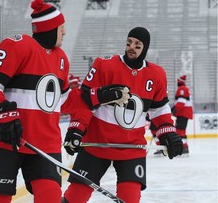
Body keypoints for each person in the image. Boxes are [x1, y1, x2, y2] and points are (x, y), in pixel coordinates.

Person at [0, 0, 126, 203]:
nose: (64, 32)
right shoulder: (17, 46)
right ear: (51, 28)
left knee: (51, 197)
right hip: (7, 139)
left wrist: (99, 96)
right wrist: (5, 115)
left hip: (44, 144)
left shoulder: (61, 58)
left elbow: (62, 100)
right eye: (62, 28)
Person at [62, 27, 183, 203]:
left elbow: (159, 110)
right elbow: (84, 102)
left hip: (132, 148)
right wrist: (77, 128)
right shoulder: (104, 65)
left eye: (137, 45)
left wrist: (168, 132)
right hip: (97, 143)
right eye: (129, 43)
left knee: (130, 198)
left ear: (145, 48)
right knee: (76, 195)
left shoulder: (156, 74)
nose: (131, 47)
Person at [171, 75, 193, 154]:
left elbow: (181, 101)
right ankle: (185, 147)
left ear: (179, 81)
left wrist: (174, 109)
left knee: (179, 131)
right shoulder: (185, 89)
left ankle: (183, 147)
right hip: (184, 113)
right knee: (181, 131)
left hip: (183, 113)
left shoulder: (182, 89)